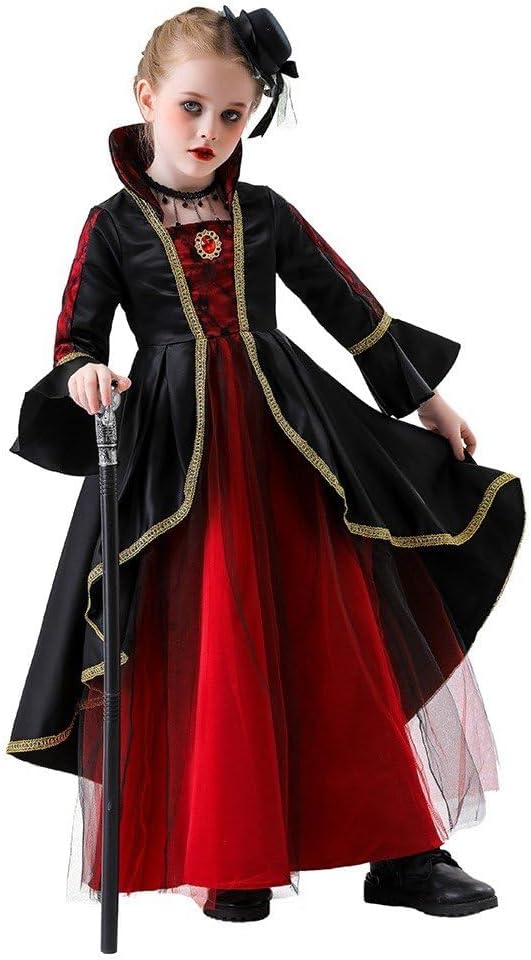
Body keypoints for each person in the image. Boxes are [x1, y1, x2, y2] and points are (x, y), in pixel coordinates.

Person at [6, 5, 525, 924]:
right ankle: (234, 854)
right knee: (212, 640)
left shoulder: (265, 213)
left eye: (233, 114)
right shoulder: (112, 226)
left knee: (334, 630)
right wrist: (85, 373)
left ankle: (402, 852)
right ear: (146, 98)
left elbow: (348, 306)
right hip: (178, 466)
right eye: (191, 107)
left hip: (289, 448)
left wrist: (426, 401)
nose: (209, 131)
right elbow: (75, 335)